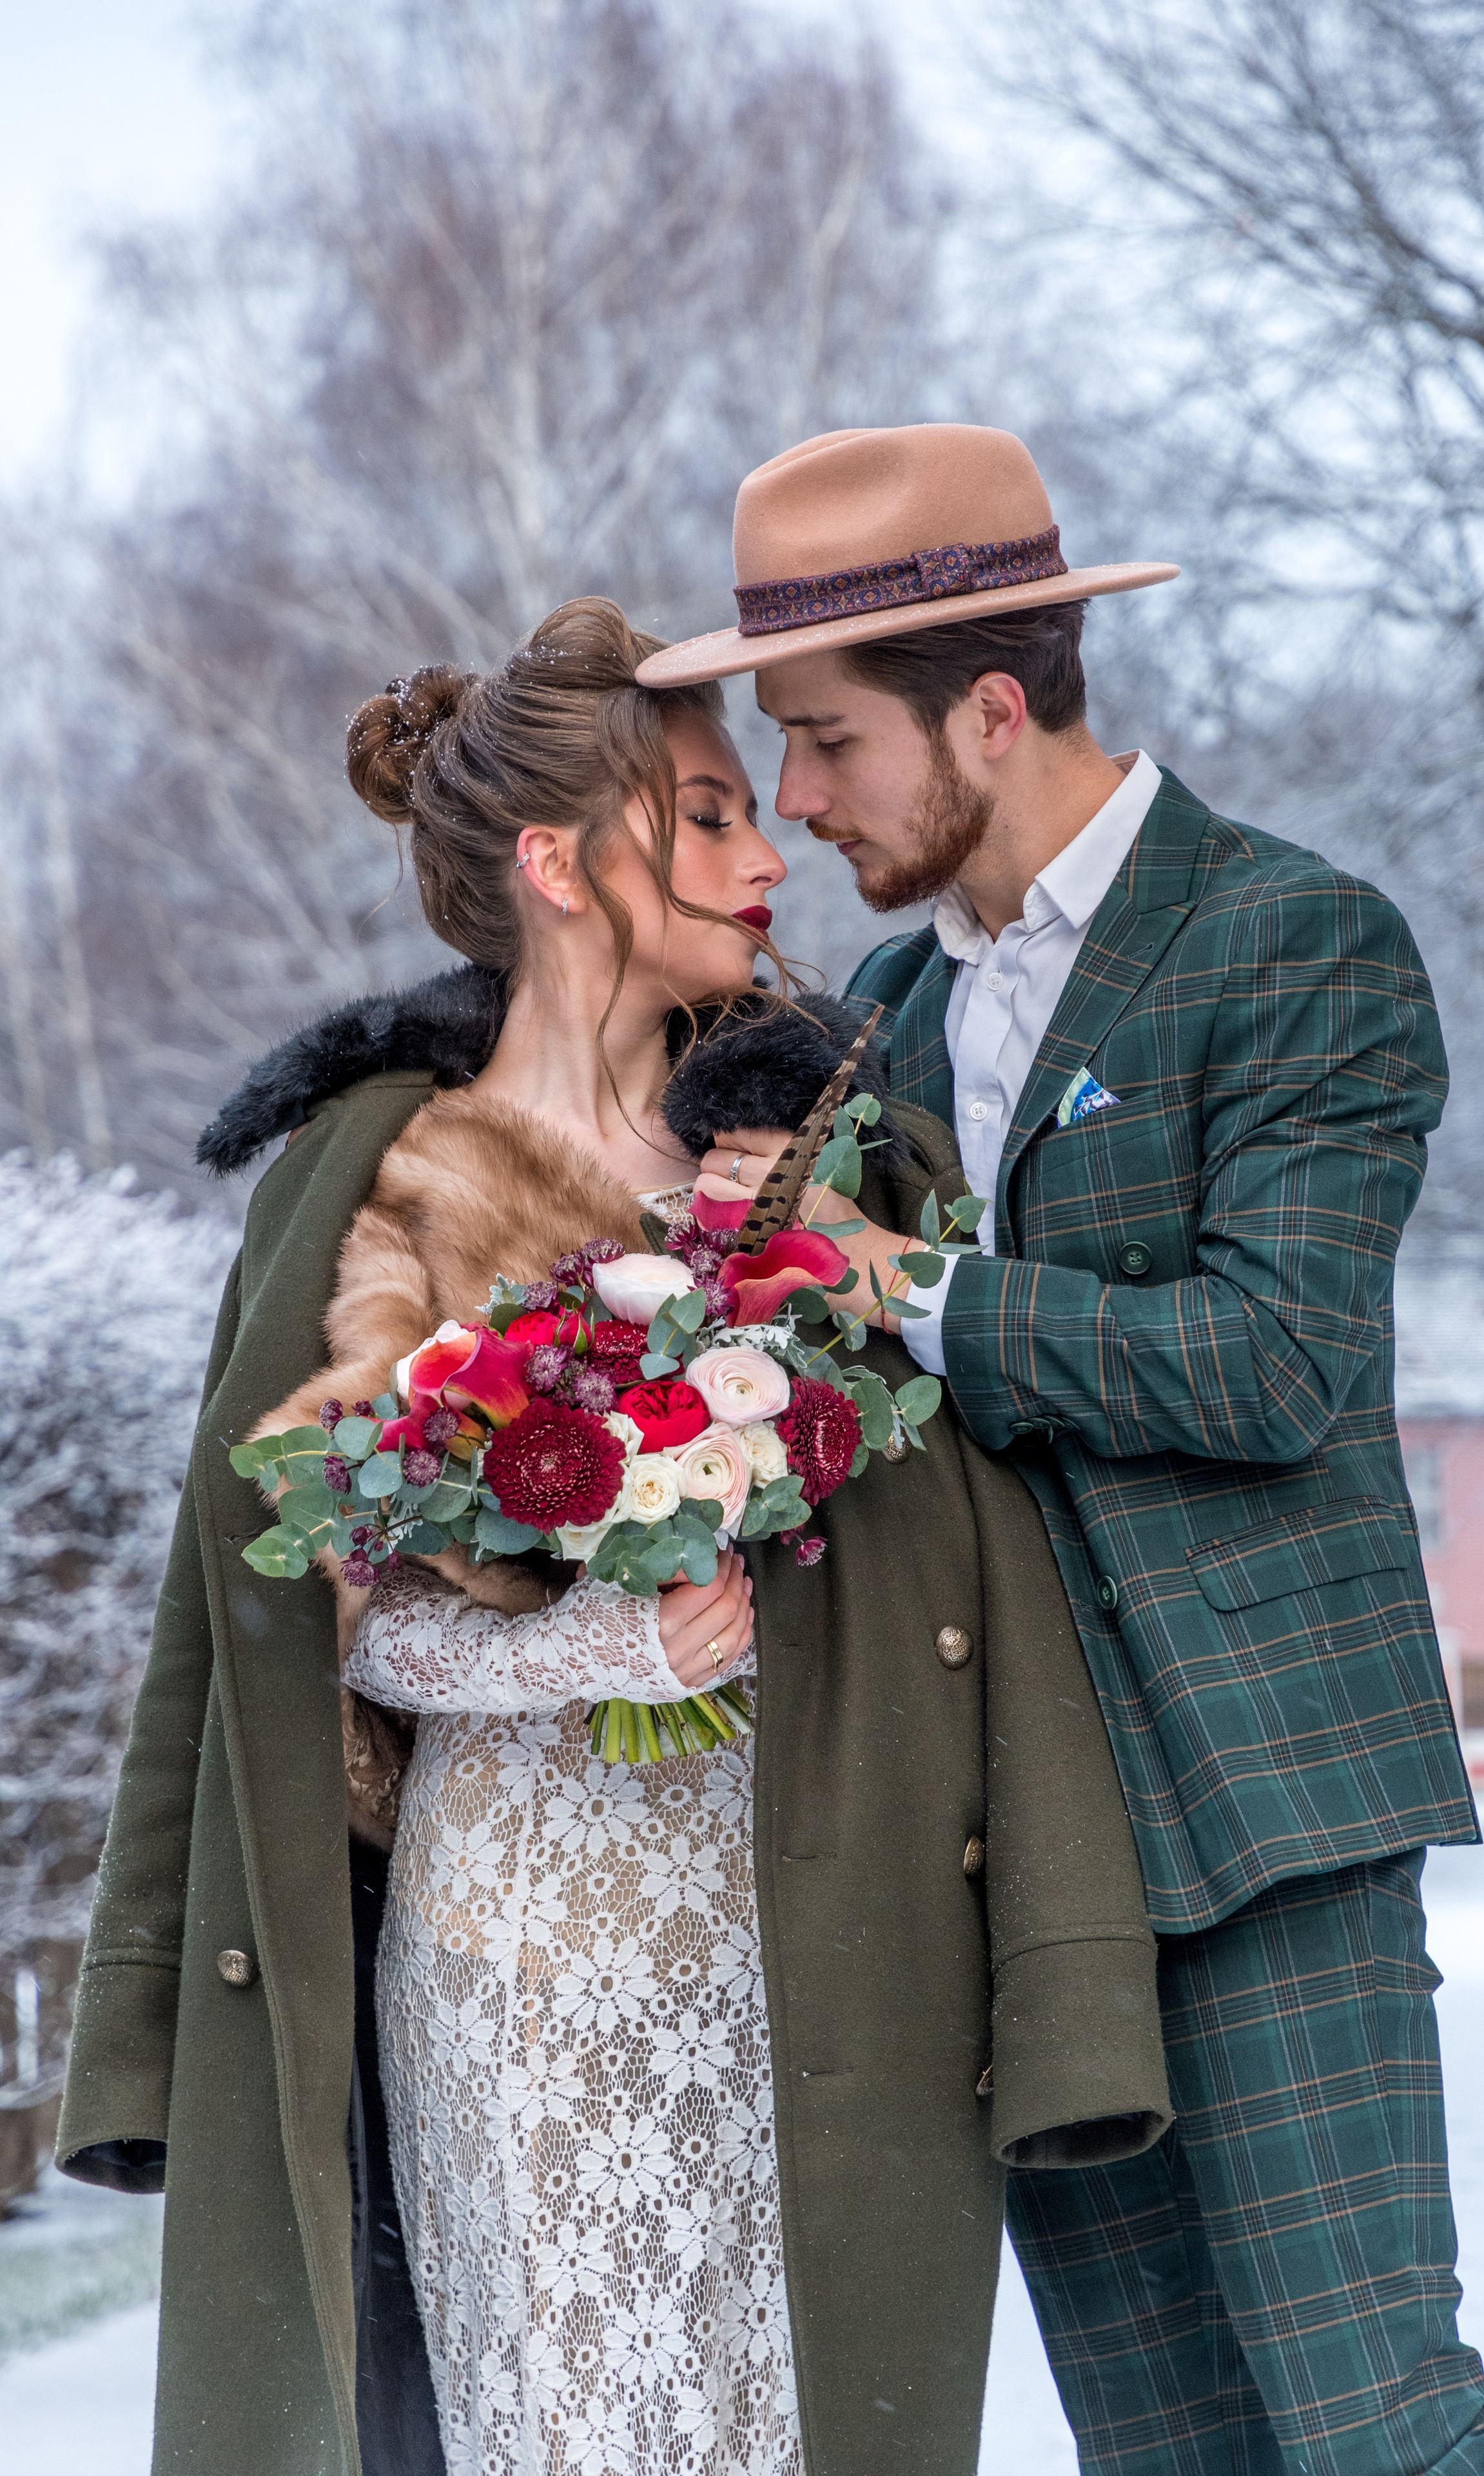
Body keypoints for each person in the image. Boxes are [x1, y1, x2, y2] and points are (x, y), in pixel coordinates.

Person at [55, 594, 1169, 2476]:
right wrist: (599, 1650)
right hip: (514, 1951)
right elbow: (344, 1629)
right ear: (562, 863)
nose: (769, 857)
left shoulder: (826, 1154)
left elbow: (968, 1569)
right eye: (712, 815)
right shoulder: (386, 1188)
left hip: (811, 1937)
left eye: (760, 811)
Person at [639, 426, 1484, 2476]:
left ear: (989, 707)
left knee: (1382, 2438)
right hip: (1014, 1855)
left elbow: (1275, 1366)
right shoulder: (877, 1008)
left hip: (1259, 1807)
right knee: (1172, 2455)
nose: (795, 797)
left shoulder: (1295, 941)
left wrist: (906, 1286)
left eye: (822, 743)